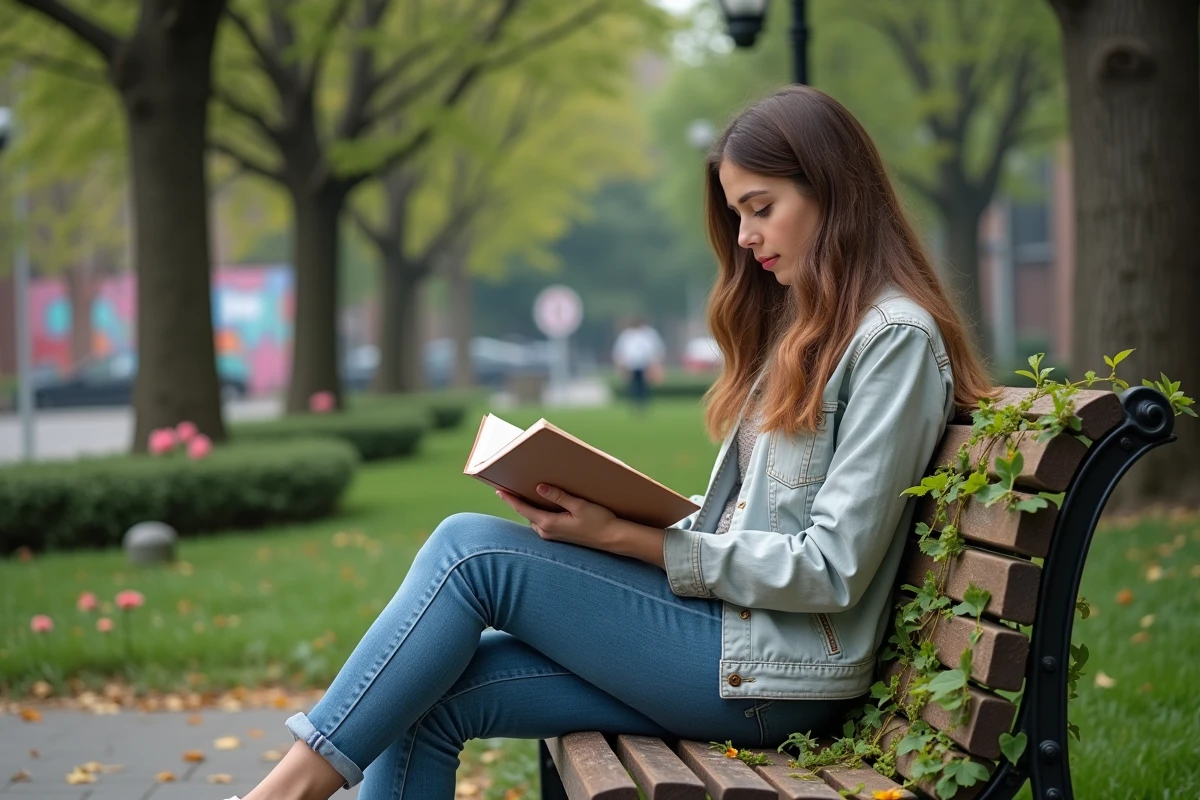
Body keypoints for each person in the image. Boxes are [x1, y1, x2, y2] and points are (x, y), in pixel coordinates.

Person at [222, 85, 993, 800]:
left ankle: (285, 791)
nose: (745, 237)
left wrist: (628, 538)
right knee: (420, 696)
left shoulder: (891, 341)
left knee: (470, 554)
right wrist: (630, 512)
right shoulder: (813, 332)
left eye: (760, 207)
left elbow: (830, 567)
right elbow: (762, 526)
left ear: (833, 190)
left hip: (774, 679)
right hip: (738, 645)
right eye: (736, 215)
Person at [611, 316, 667, 413]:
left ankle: (643, 403)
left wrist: (655, 364)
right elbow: (620, 351)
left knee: (644, 385)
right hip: (631, 365)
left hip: (646, 364)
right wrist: (621, 365)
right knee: (634, 385)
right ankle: (636, 403)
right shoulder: (627, 334)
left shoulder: (649, 333)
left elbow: (656, 349)